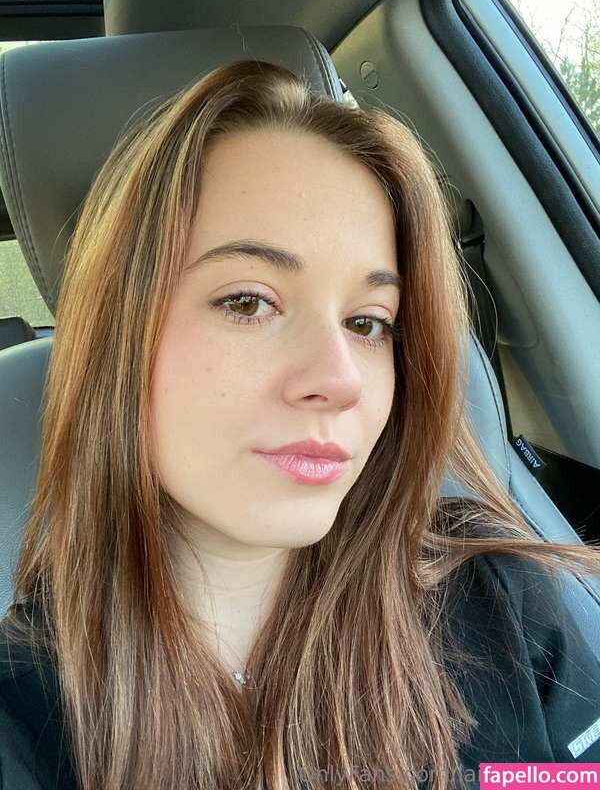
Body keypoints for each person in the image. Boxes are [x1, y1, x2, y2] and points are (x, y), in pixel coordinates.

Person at [0, 59, 599, 790]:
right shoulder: (22, 713)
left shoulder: (496, 594)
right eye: (248, 302)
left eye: (369, 322)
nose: (341, 381)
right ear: (117, 336)